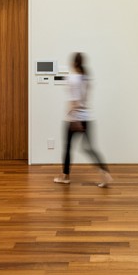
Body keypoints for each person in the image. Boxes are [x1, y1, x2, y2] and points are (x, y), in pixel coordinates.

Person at [54, 52, 111, 187]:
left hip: (74, 118)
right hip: (87, 117)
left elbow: (74, 101)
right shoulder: (86, 78)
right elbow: (85, 99)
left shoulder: (72, 78)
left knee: (67, 147)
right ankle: (105, 174)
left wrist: (75, 120)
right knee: (89, 148)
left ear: (73, 63)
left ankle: (65, 177)